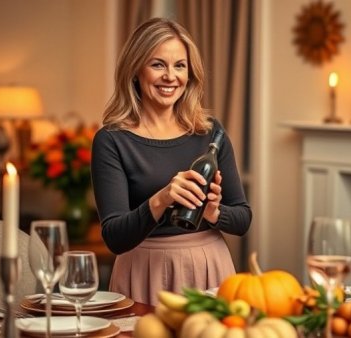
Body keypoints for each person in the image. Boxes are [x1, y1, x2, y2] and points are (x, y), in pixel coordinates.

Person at [91, 17, 252, 305]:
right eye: (157, 64)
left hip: (209, 268)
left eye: (180, 65)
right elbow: (114, 237)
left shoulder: (210, 132)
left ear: (190, 73)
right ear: (135, 70)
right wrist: (161, 199)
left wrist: (214, 212)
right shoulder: (111, 140)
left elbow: (242, 219)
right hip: (142, 271)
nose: (170, 76)